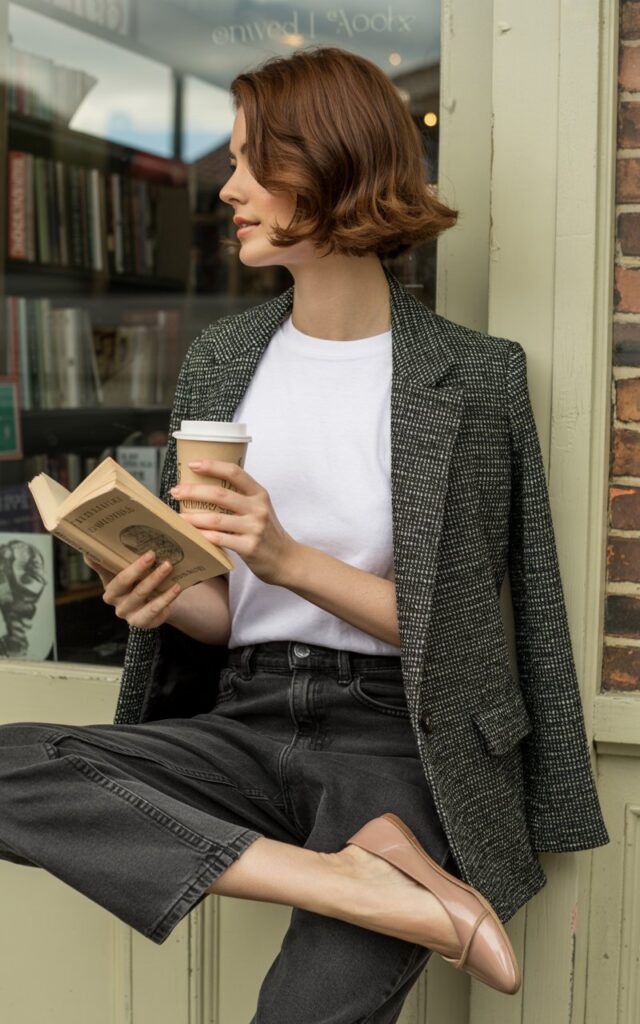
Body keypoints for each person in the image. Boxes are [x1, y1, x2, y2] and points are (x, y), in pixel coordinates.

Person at [0, 46, 609, 1022]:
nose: (228, 189)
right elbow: (225, 610)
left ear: (330, 166)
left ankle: (379, 863)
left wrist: (285, 557)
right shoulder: (223, 359)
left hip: (392, 738)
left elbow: (458, 636)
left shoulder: (473, 376)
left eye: (253, 162)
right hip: (241, 714)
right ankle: (352, 881)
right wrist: (162, 591)